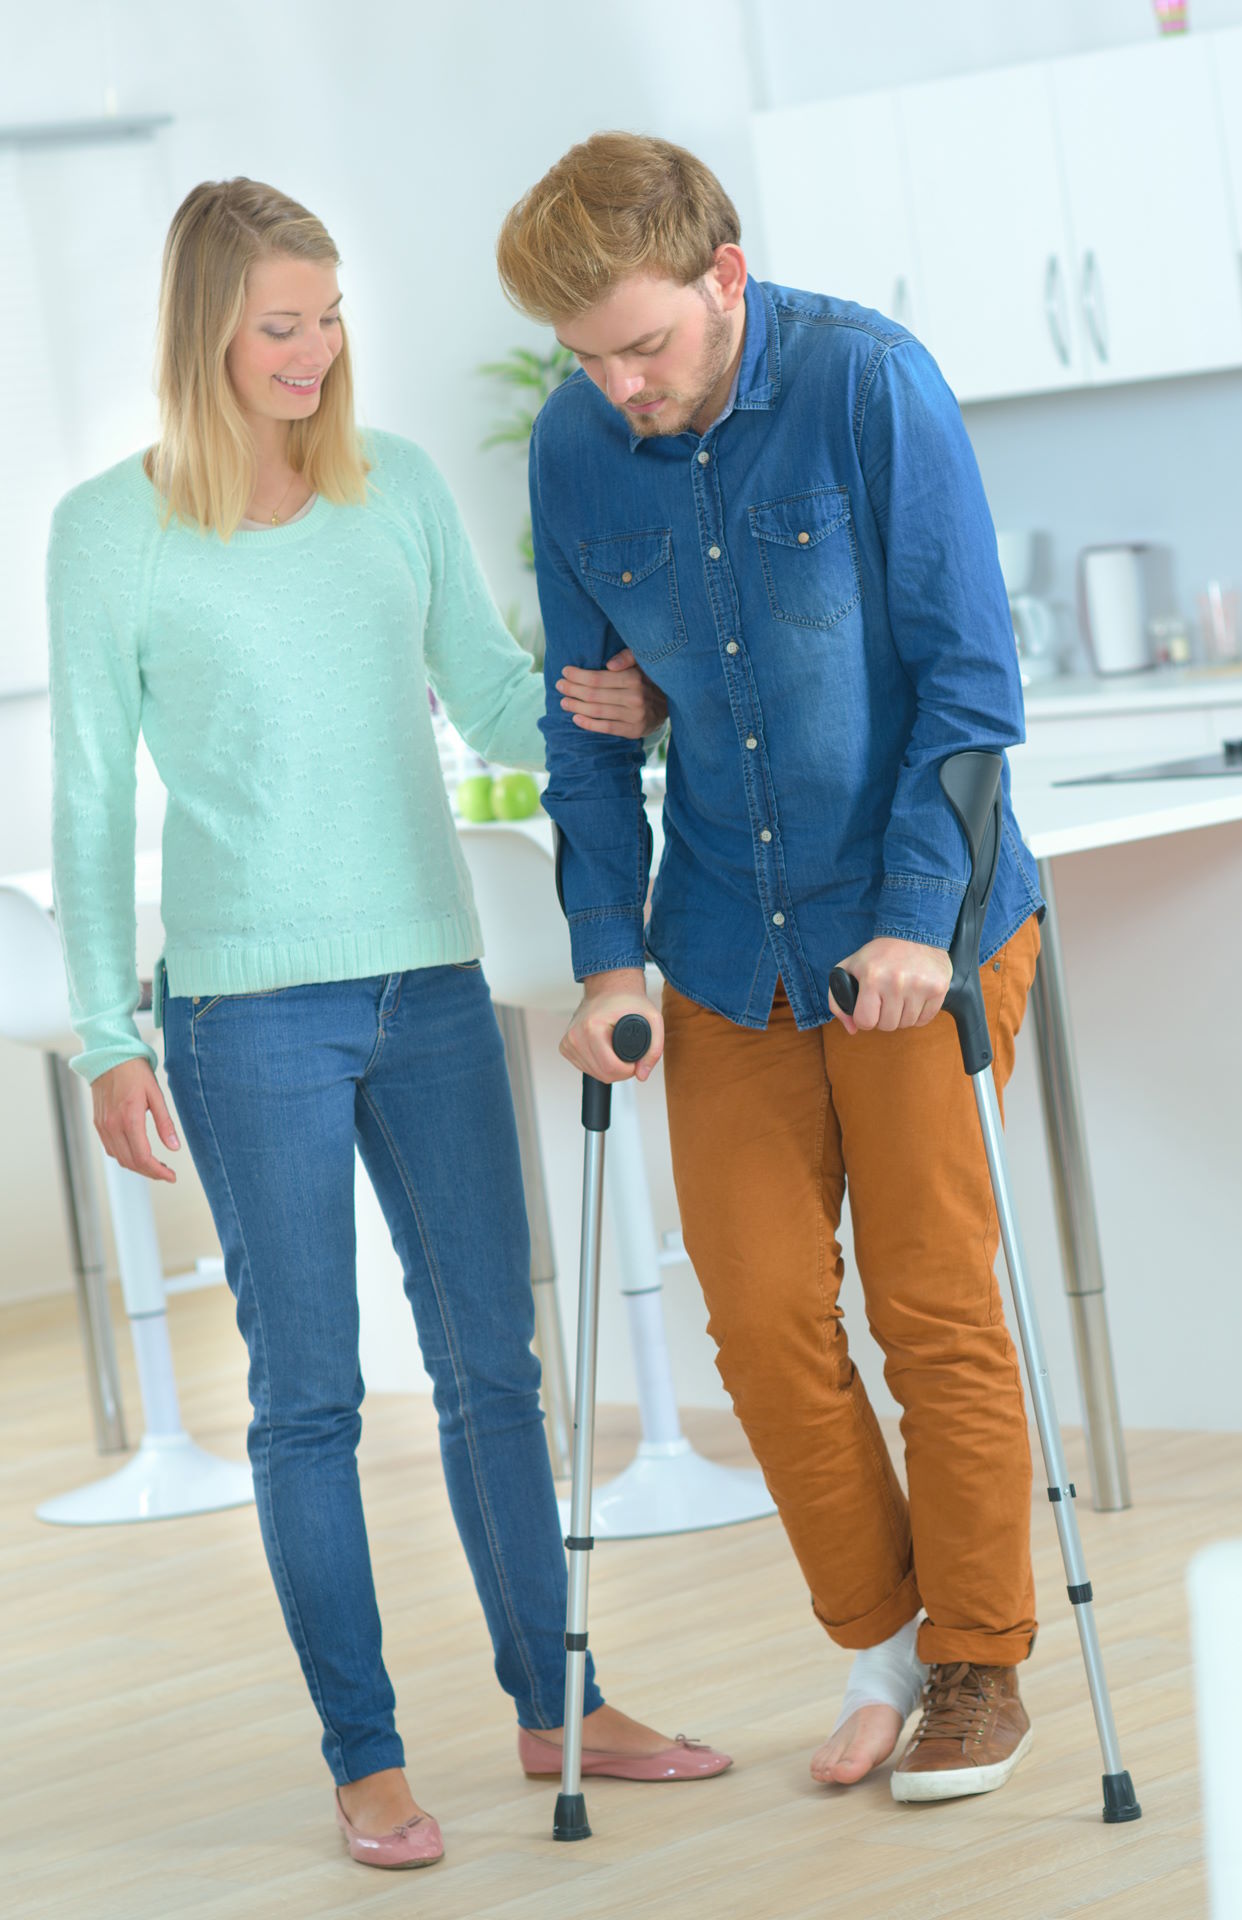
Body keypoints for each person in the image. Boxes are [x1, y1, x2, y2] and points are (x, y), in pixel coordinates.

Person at [48, 175, 731, 1875]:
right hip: (241, 1015)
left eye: (331, 316)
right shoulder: (109, 532)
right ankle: (364, 1757)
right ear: (204, 332)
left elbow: (493, 700)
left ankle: (555, 1701)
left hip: (426, 984)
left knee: (494, 1363)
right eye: (280, 325)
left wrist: (622, 698)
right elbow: (87, 797)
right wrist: (105, 1032)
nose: (315, 351)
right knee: (309, 1399)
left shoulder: (397, 487)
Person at [497, 133, 1045, 1804]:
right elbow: (586, 732)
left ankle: (977, 1667)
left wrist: (914, 916)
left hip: (915, 929)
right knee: (755, 1319)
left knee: (929, 1308)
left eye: (643, 344)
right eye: (587, 358)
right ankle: (882, 1650)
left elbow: (967, 683)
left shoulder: (868, 385)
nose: (619, 386)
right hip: (727, 941)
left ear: (722, 277)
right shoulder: (575, 447)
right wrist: (605, 960)